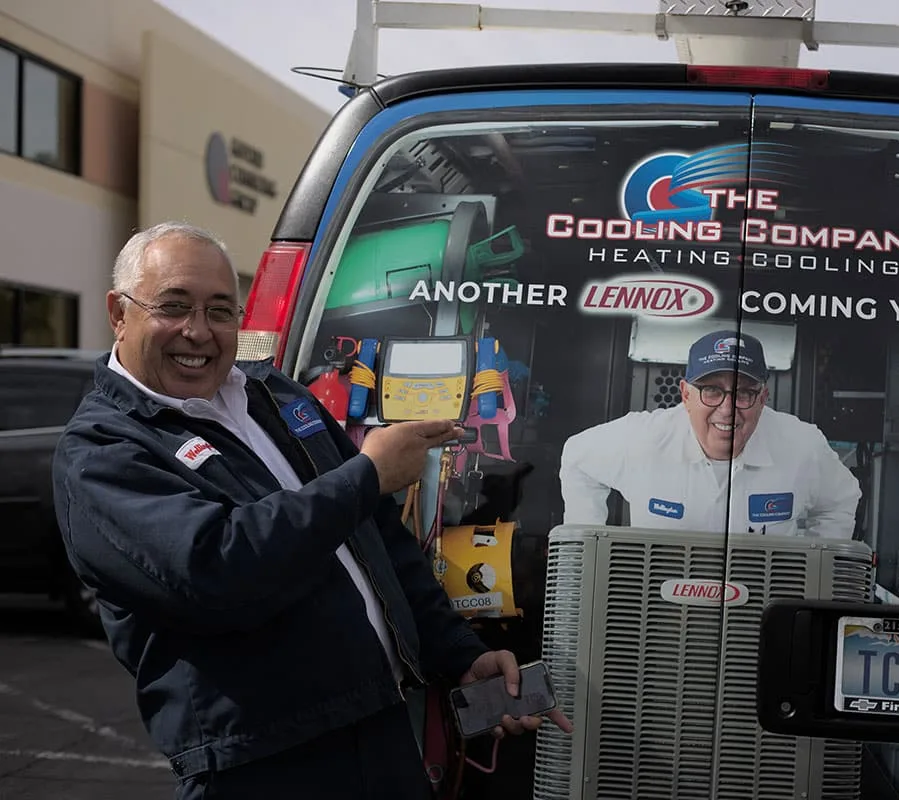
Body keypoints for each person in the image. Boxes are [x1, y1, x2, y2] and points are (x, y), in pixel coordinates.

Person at [51, 222, 571, 800]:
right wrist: (366, 476)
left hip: (380, 728)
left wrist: (459, 656)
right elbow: (219, 571)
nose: (197, 331)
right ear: (118, 314)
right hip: (261, 763)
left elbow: (378, 539)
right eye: (173, 306)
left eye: (220, 311)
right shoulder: (101, 452)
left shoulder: (273, 394)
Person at [559, 329, 862, 537]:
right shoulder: (641, 438)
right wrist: (591, 552)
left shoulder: (802, 446)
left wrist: (810, 572)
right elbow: (576, 457)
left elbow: (840, 501)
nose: (727, 409)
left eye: (744, 393)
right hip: (658, 602)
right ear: (685, 395)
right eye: (712, 391)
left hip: (766, 603)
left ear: (763, 398)